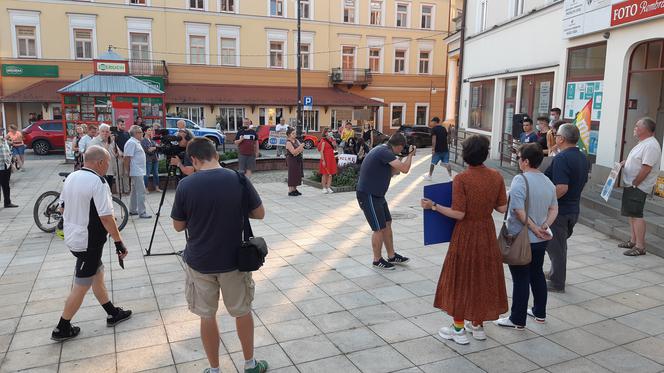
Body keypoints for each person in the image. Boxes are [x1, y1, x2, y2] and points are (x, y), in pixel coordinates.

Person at [170, 138, 268, 373]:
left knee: (207, 316)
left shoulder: (186, 185)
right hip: (235, 261)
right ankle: (250, 365)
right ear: (216, 154)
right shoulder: (238, 179)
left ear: (193, 159)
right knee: (242, 311)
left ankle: (214, 369)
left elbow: (178, 226)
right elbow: (260, 213)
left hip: (200, 262)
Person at [420, 135, 508, 345]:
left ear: (466, 155)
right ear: (485, 154)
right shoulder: (496, 176)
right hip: (486, 231)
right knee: (482, 277)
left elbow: (459, 213)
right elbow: (502, 208)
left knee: (461, 278)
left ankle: (458, 329)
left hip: (466, 233)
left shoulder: (462, 178)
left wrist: (433, 206)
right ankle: (477, 325)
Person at [51, 145, 132, 341]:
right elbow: (106, 217)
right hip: (88, 242)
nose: (108, 167)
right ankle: (62, 327)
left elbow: (62, 208)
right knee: (81, 285)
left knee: (98, 274)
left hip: (74, 237)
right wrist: (119, 242)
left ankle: (113, 313)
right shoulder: (98, 182)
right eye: (108, 163)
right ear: (100, 162)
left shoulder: (72, 177)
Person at [495, 143, 558, 330]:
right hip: (540, 240)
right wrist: (544, 226)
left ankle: (517, 318)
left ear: (526, 161)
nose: (518, 161)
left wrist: (533, 227)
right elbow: (554, 208)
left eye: (519, 157)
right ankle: (539, 312)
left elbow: (518, 210)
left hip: (522, 239)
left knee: (520, 278)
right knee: (537, 274)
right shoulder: (548, 181)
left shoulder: (520, 180)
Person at [356, 133, 414, 270]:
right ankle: (377, 260)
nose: (402, 150)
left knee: (387, 223)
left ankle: (392, 256)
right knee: (378, 228)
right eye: (402, 148)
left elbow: (395, 171)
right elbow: (404, 169)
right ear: (399, 146)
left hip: (378, 195)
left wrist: (401, 159)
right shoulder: (384, 152)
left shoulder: (384, 149)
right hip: (368, 194)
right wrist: (410, 155)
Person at [544, 124, 589, 292]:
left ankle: (557, 282)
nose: (555, 137)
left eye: (556, 135)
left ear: (561, 139)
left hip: (561, 210)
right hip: (573, 208)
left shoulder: (563, 158)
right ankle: (555, 273)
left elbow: (562, 187)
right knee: (559, 245)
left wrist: (546, 202)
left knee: (556, 248)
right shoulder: (582, 157)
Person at [619, 117, 661, 256]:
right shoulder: (643, 143)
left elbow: (646, 168)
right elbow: (637, 161)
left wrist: (635, 183)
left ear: (645, 129)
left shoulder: (651, 145)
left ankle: (640, 246)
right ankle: (633, 241)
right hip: (632, 184)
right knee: (631, 214)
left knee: (637, 215)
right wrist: (626, 162)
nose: (635, 128)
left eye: (637, 126)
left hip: (638, 186)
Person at [123, 125, 151, 219]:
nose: (142, 133)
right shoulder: (131, 142)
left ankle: (132, 210)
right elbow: (126, 158)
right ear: (135, 133)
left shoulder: (136, 142)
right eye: (140, 132)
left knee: (135, 191)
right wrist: (127, 171)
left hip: (138, 170)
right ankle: (142, 212)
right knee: (141, 191)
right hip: (136, 171)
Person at [90, 124, 119, 191]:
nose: (105, 133)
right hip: (100, 172)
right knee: (102, 192)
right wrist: (108, 144)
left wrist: (118, 153)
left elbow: (117, 152)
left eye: (107, 131)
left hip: (110, 170)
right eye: (103, 131)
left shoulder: (111, 140)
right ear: (99, 132)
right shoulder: (94, 142)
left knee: (109, 191)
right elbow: (101, 155)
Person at [285, 128, 305, 196]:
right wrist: (300, 147)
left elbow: (301, 150)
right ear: (289, 135)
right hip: (291, 160)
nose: (294, 135)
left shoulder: (296, 140)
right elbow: (293, 152)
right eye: (293, 133)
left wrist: (298, 150)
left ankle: (295, 189)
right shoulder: (288, 142)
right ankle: (290, 190)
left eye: (295, 133)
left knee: (297, 174)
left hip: (297, 159)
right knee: (292, 174)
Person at [318, 127, 337, 194]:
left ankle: (328, 187)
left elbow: (335, 147)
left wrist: (334, 142)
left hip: (331, 158)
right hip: (325, 158)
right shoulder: (323, 140)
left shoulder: (332, 139)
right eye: (329, 131)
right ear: (325, 133)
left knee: (330, 174)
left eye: (330, 131)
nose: (330, 132)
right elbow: (321, 151)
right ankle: (324, 187)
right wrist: (323, 160)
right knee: (325, 174)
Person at [141, 127, 161, 193]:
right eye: (149, 130)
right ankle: (145, 188)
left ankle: (157, 187)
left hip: (155, 158)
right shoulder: (143, 140)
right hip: (148, 159)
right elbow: (147, 150)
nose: (150, 131)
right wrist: (154, 148)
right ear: (145, 132)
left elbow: (158, 148)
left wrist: (154, 148)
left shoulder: (152, 140)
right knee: (147, 174)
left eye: (151, 130)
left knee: (156, 173)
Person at [0, 135, 17, 208]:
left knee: (6, 185)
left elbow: (8, 153)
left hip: (6, 166)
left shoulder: (4, 141)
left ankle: (7, 202)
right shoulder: (2, 142)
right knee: (3, 186)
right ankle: (6, 202)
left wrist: (12, 163)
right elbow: (4, 156)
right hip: (2, 167)